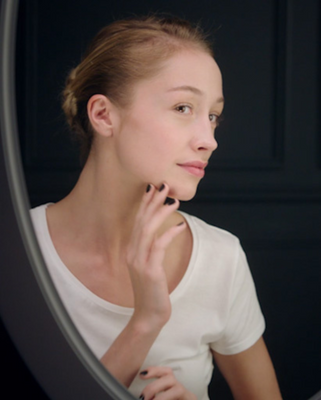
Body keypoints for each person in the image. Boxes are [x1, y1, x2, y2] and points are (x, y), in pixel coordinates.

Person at [30, 15, 282, 400]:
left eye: (212, 115)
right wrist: (145, 323)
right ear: (103, 115)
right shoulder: (18, 253)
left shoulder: (220, 257)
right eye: (183, 107)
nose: (209, 140)